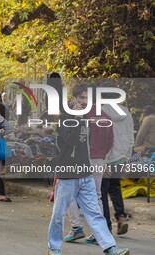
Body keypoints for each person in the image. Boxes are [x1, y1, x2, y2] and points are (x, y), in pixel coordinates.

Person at [47, 84, 129, 255]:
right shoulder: (64, 119)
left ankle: (109, 247)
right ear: (74, 98)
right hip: (68, 175)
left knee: (95, 214)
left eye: (87, 99)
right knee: (58, 214)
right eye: (82, 98)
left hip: (85, 175)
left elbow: (88, 146)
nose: (85, 102)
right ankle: (54, 248)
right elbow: (70, 142)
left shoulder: (85, 119)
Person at [63, 85, 114, 245]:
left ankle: (76, 227)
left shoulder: (79, 114)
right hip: (99, 159)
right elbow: (110, 141)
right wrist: (102, 157)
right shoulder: (106, 115)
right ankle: (98, 233)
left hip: (82, 159)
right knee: (96, 196)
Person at [101, 87, 134, 235]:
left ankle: (106, 226)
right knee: (115, 187)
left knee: (101, 193)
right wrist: (126, 158)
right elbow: (130, 137)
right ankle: (120, 217)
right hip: (121, 156)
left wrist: (102, 161)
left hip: (106, 158)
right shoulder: (126, 112)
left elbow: (103, 139)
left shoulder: (101, 112)